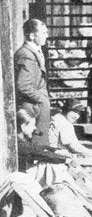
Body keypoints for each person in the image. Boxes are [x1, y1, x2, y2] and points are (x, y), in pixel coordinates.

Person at [14, 17, 51, 146]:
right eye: (44, 33)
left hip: (37, 104)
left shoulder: (34, 51)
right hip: (32, 107)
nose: (47, 35)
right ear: (31, 35)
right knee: (36, 145)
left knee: (40, 143)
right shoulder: (27, 54)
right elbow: (23, 85)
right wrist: (41, 98)